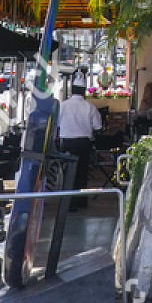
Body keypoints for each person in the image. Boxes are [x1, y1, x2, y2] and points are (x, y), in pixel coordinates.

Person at [57, 83, 101, 211]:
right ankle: (81, 201)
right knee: (82, 172)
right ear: (84, 92)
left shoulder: (63, 106)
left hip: (68, 143)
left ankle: (69, 203)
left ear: (72, 91)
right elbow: (97, 126)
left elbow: (57, 124)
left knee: (67, 173)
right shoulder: (89, 107)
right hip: (83, 142)